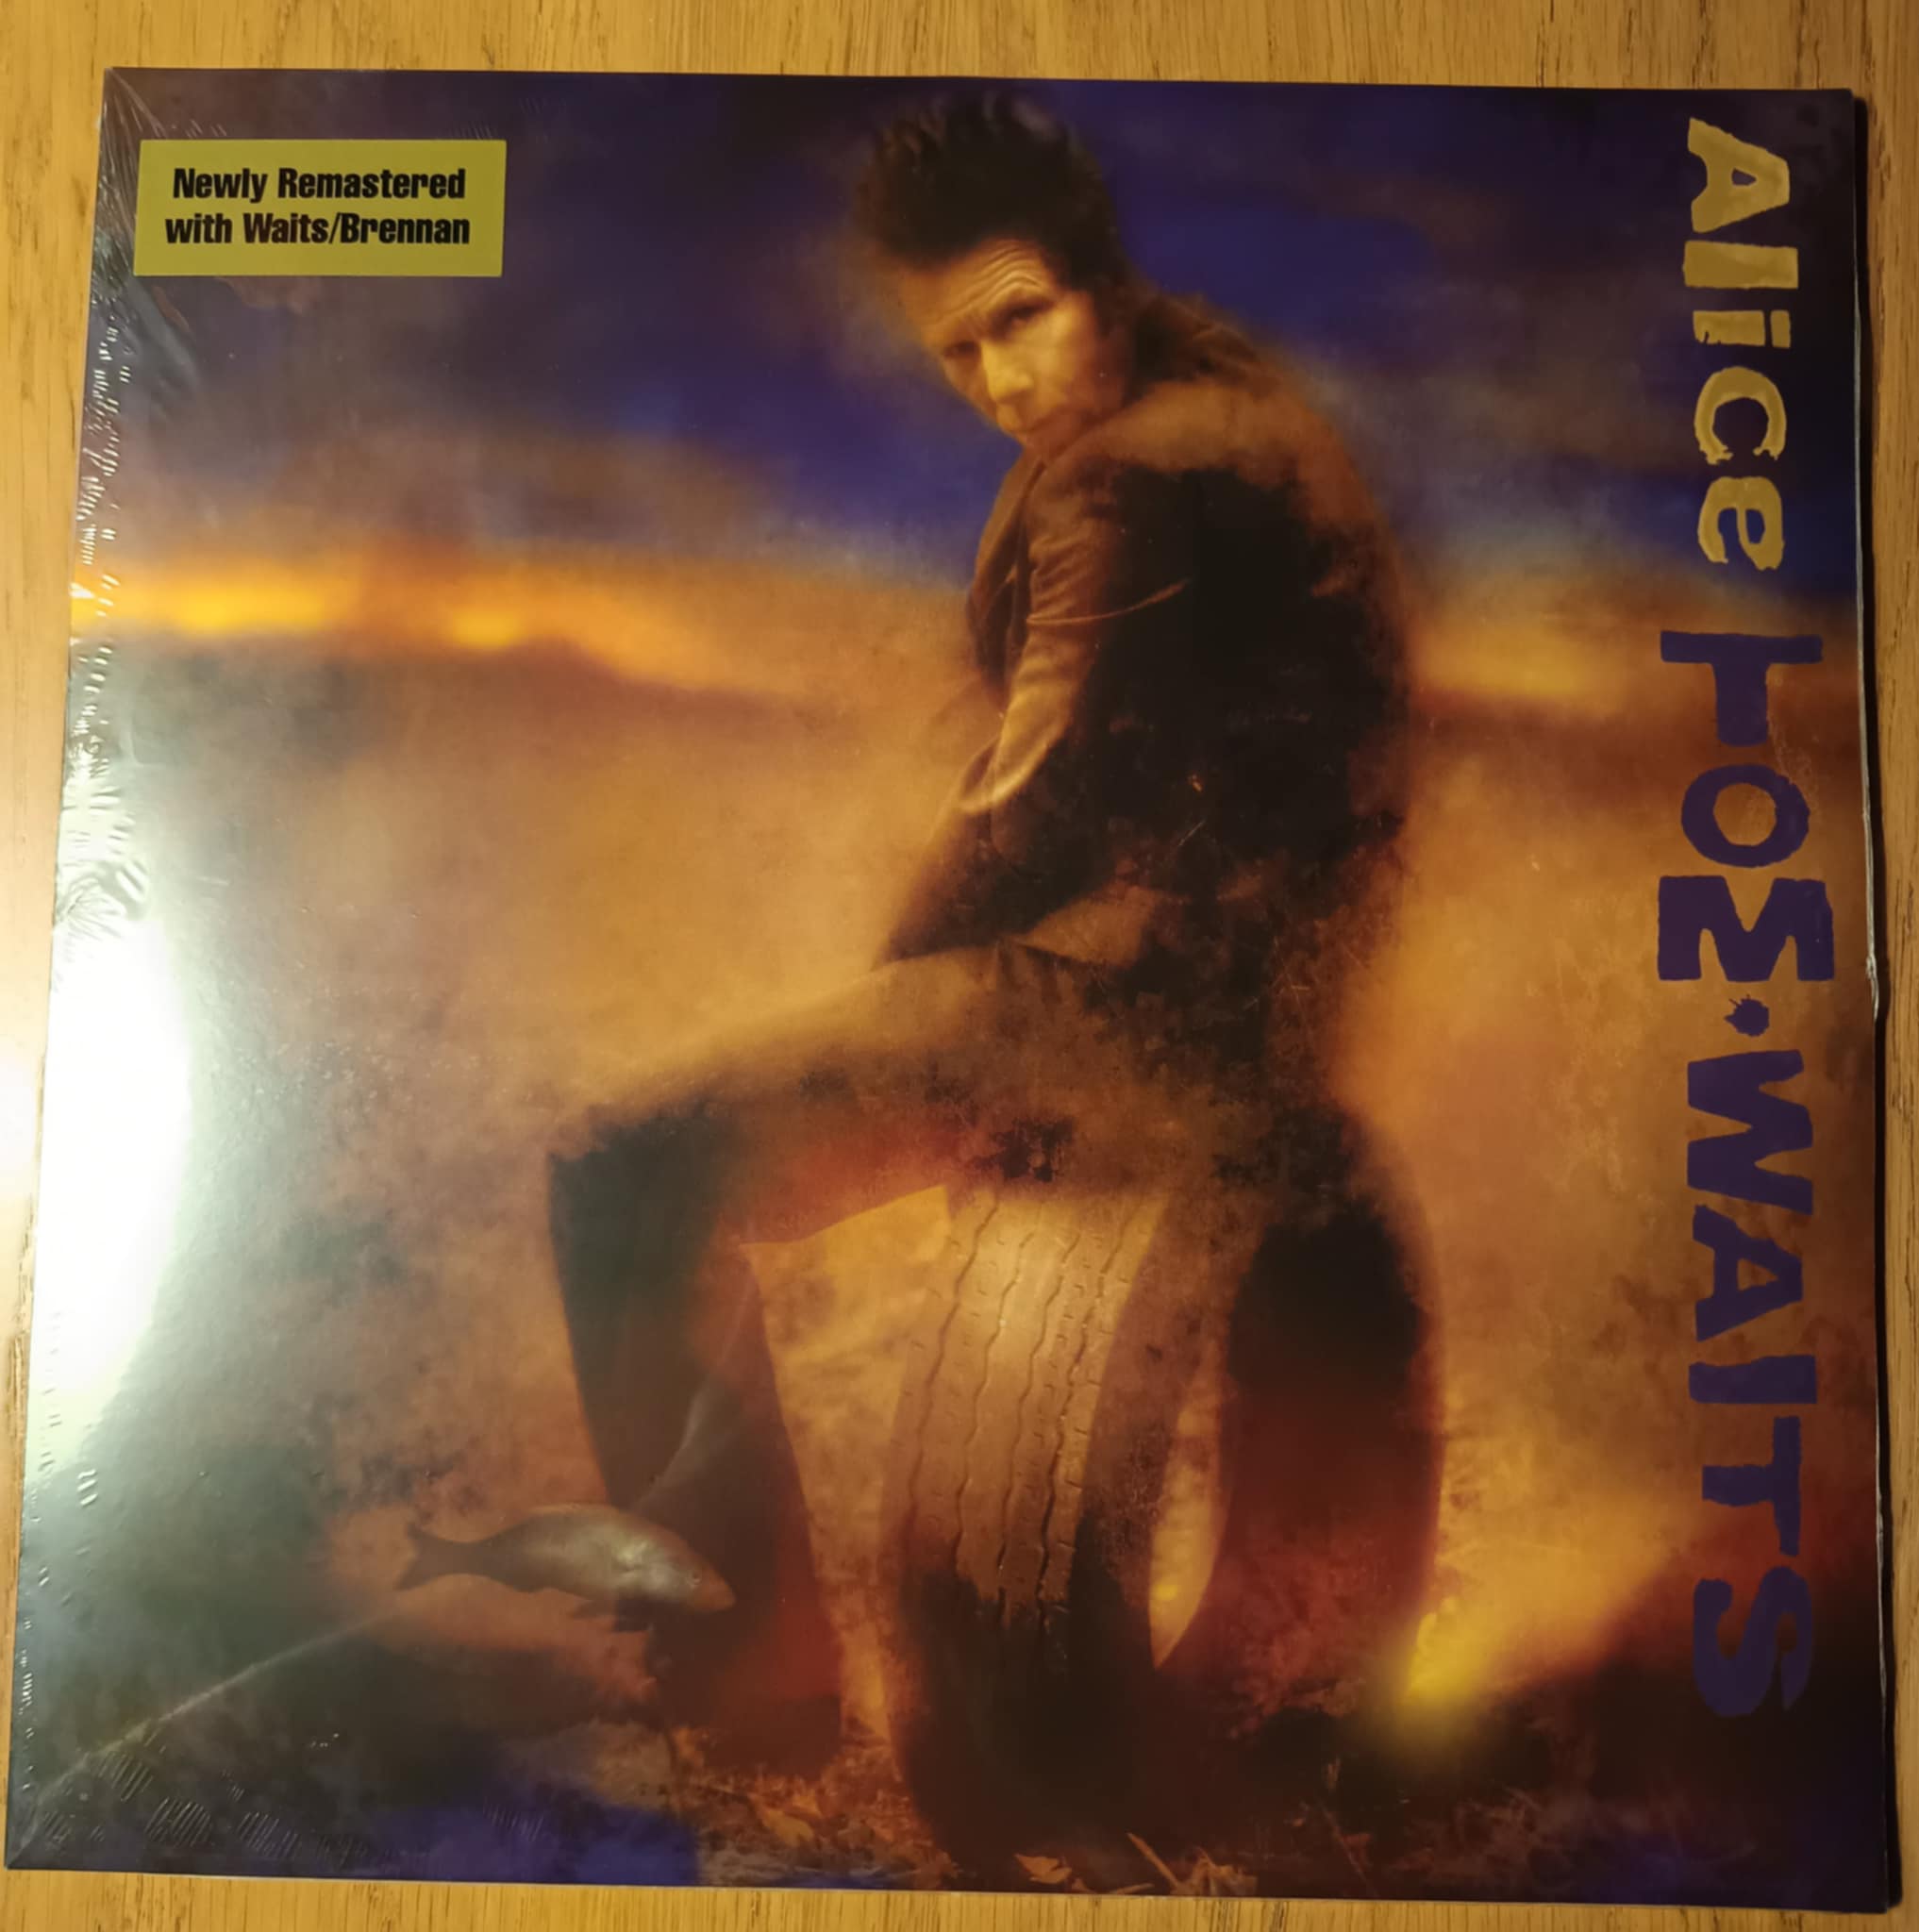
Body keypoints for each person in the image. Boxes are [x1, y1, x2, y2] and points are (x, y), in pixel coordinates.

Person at [544, 97, 1432, 1781]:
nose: (1002, 382)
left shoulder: (1122, 478)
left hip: (1123, 1006)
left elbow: (1029, 800)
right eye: (959, 353)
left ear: (1101, 277)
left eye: (1022, 318)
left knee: (622, 1173)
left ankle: (746, 1696)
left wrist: (905, 1008)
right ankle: (1265, 1700)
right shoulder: (1239, 399)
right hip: (1258, 1004)